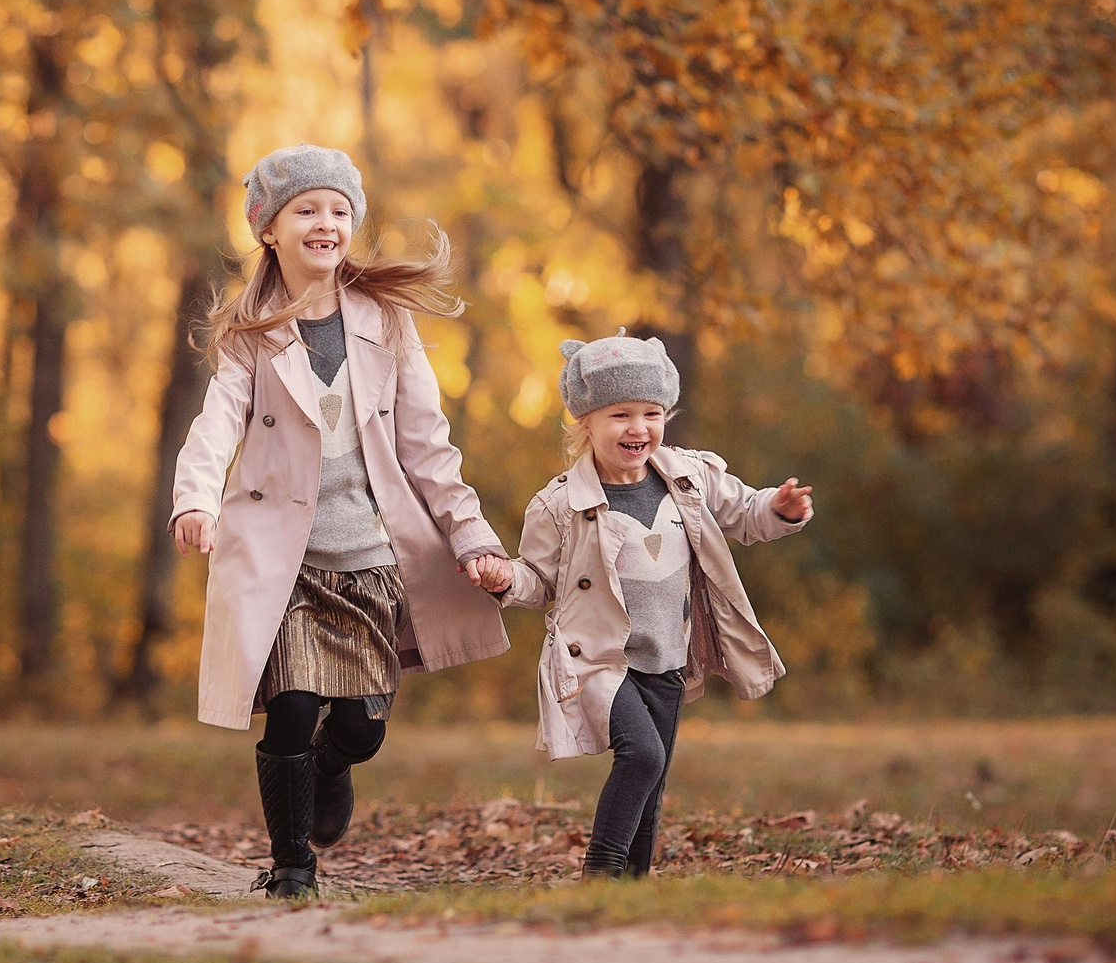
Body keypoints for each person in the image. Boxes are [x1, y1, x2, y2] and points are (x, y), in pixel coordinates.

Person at [171, 145, 515, 898]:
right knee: (291, 705)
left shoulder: (384, 323)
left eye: (338, 209)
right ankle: (292, 864)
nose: (326, 223)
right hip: (285, 564)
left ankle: (332, 765)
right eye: (307, 209)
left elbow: (428, 447)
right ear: (269, 229)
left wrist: (474, 538)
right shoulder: (250, 334)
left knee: (361, 726)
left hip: (370, 557)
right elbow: (215, 426)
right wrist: (194, 499)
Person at [496, 332, 814, 879]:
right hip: (598, 658)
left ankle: (631, 889)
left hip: (668, 656)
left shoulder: (688, 478)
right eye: (620, 415)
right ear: (585, 422)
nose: (638, 428)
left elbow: (745, 515)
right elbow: (537, 581)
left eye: (651, 413)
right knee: (642, 757)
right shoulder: (558, 505)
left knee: (654, 777)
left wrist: (780, 509)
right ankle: (601, 870)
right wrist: (503, 579)